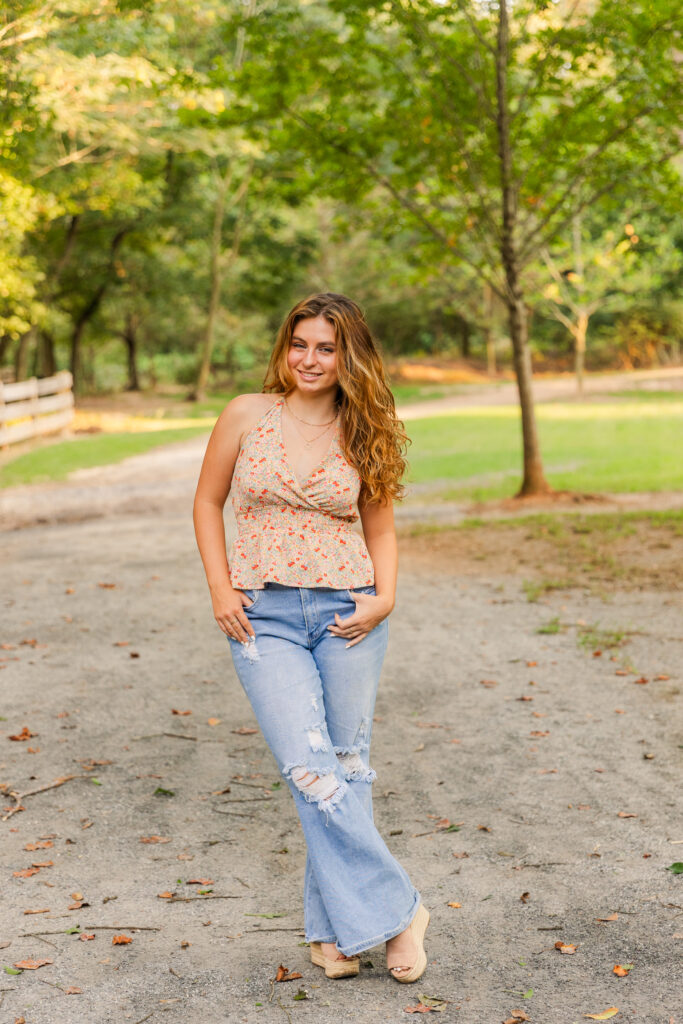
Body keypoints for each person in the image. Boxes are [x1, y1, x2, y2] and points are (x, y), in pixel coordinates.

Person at [193, 292, 430, 982]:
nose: (309, 359)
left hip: (346, 615)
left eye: (325, 347)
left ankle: (330, 935)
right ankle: (401, 911)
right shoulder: (245, 414)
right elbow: (207, 502)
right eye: (299, 344)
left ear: (347, 354)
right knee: (310, 771)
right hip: (261, 615)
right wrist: (219, 586)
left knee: (346, 769)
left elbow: (379, 525)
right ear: (284, 346)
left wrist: (384, 597)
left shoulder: (366, 425)